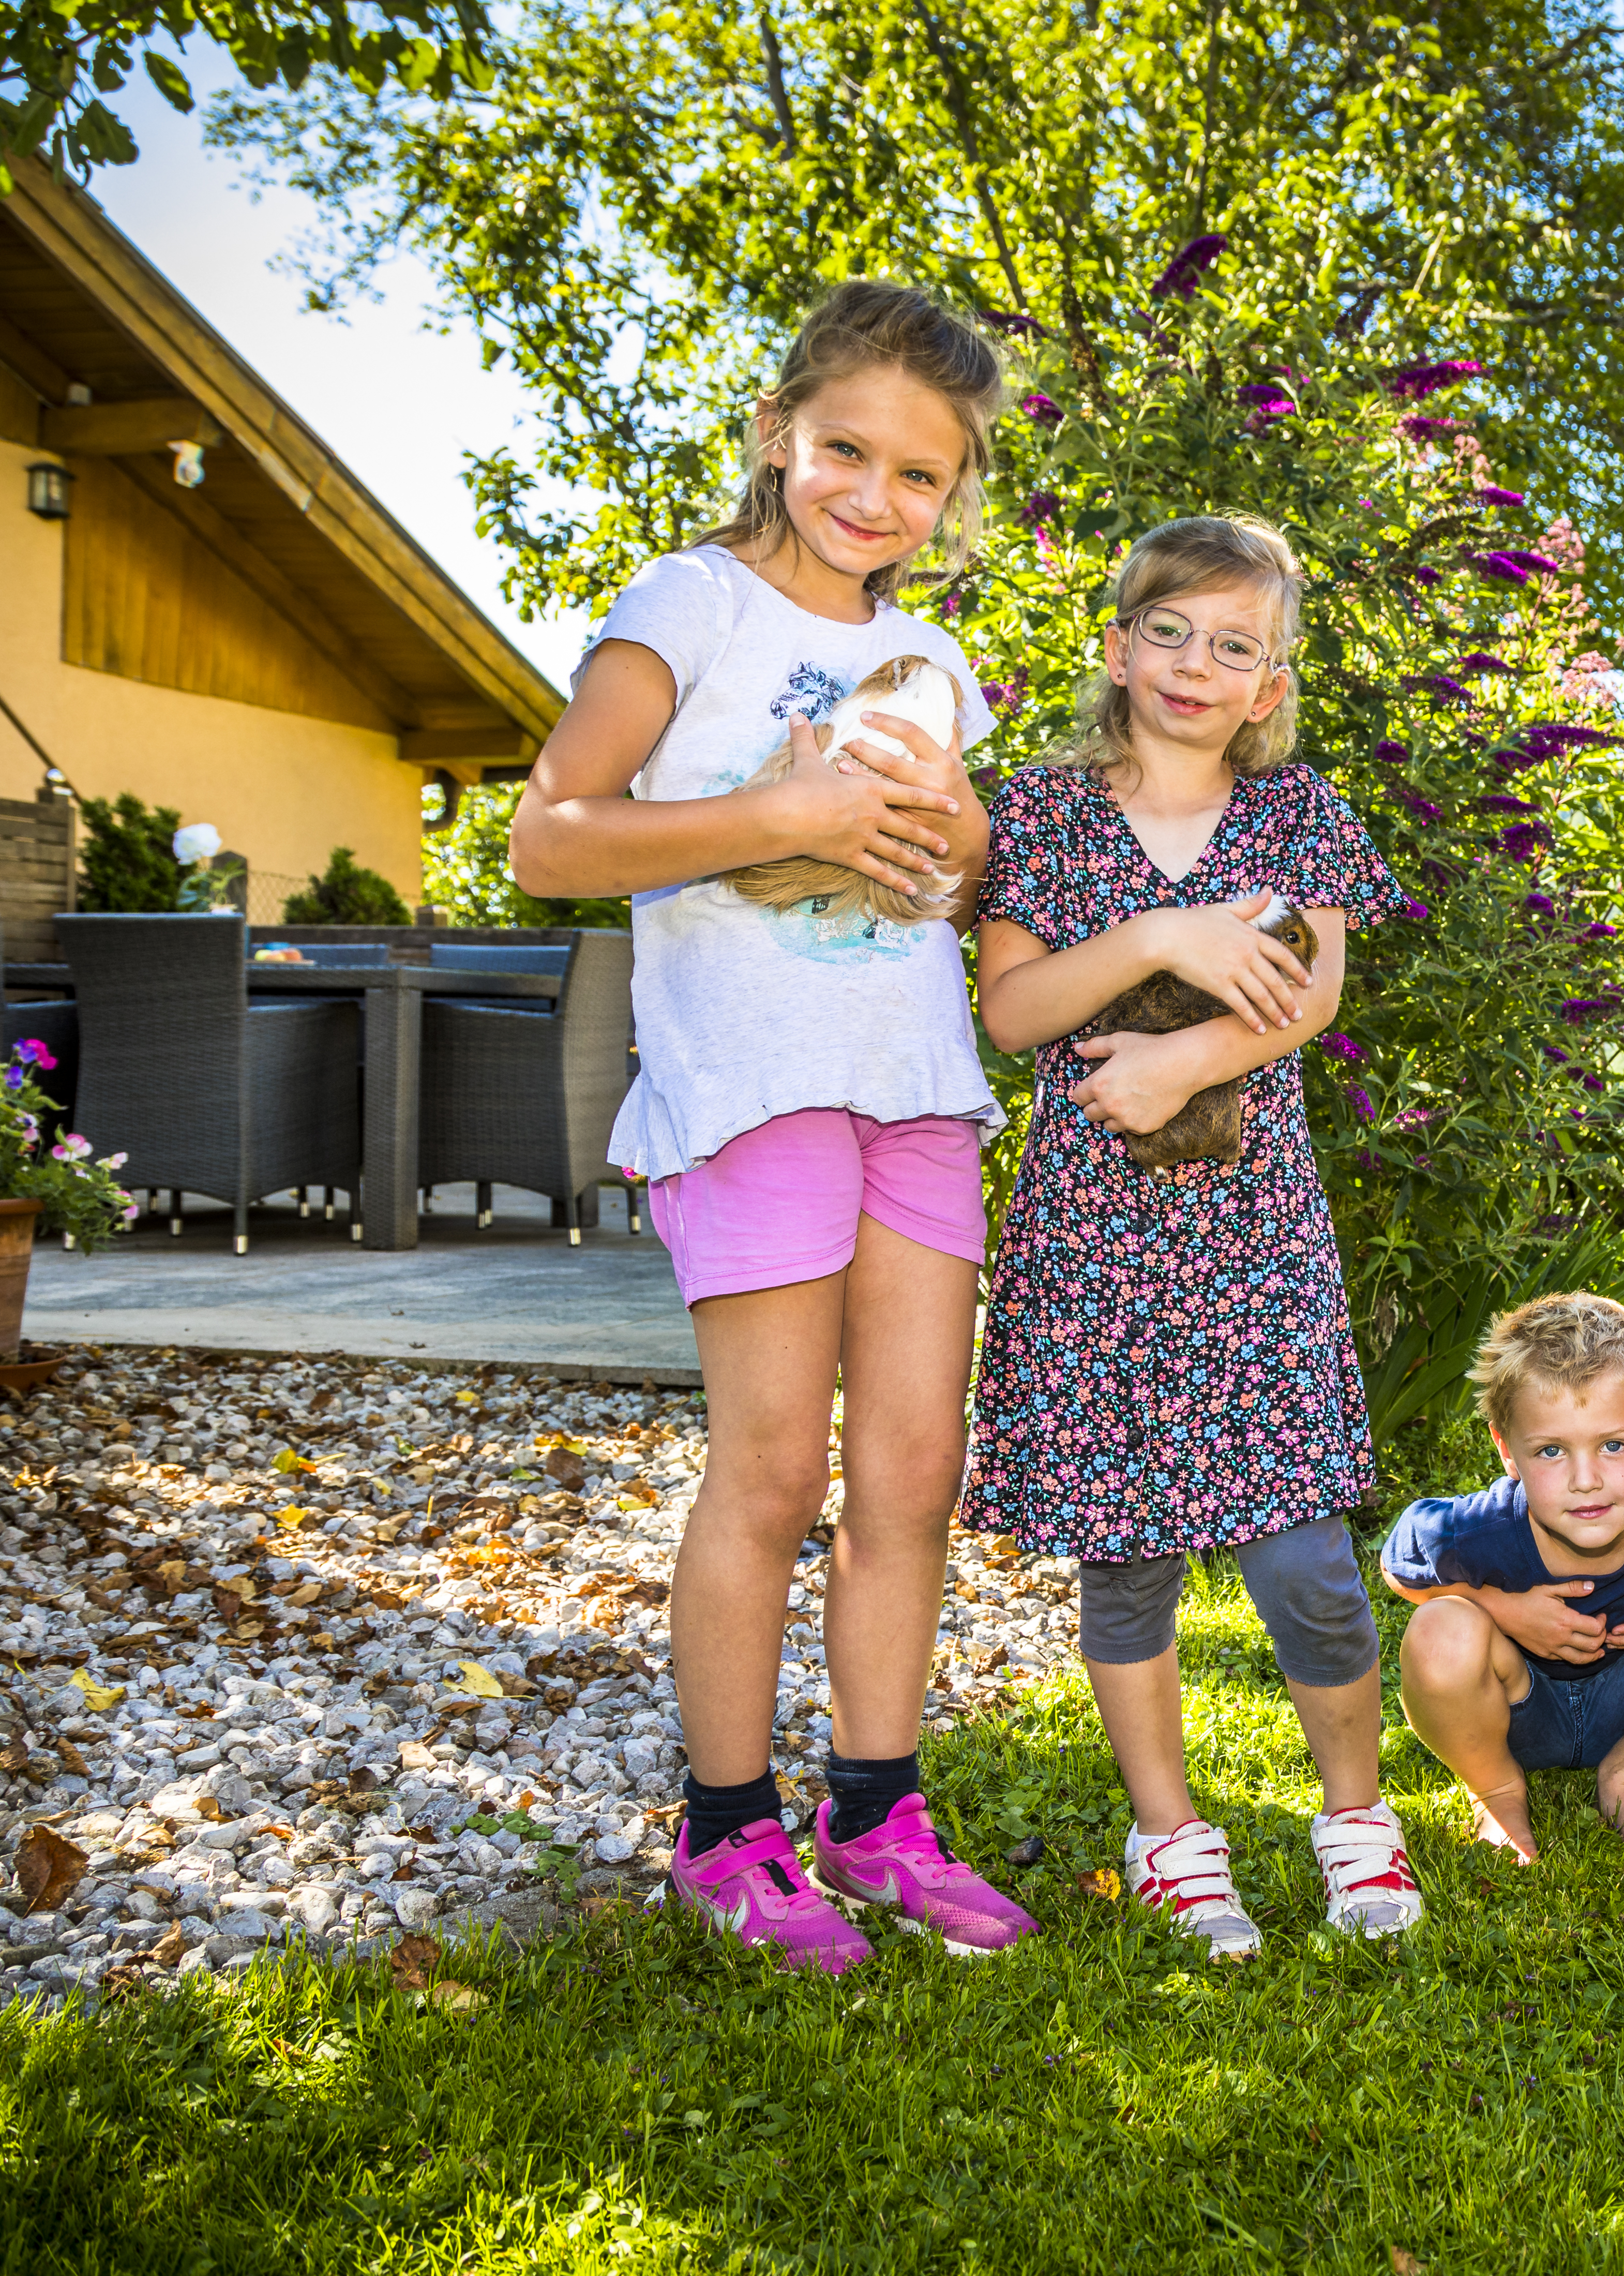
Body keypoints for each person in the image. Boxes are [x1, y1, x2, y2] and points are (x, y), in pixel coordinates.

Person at [509, 279, 1035, 1971]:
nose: (876, 497)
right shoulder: (689, 602)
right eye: (846, 451)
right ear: (778, 435)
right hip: (752, 1088)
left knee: (910, 1470)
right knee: (770, 1472)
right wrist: (783, 810)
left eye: (921, 477)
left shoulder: (935, 658)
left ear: (955, 500)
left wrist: (952, 841)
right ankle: (726, 1833)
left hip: (916, 1093)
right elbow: (552, 841)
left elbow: (950, 886)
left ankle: (877, 1816)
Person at [963, 513, 1421, 1960]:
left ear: (1268, 687)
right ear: (1117, 644)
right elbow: (1015, 1013)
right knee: (1128, 1559)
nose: (1196, 663)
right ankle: (1170, 1838)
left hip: (1251, 1232)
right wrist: (1163, 939)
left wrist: (1181, 1061)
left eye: (1235, 646)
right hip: (1092, 1241)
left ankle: (1355, 1821)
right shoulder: (1038, 811)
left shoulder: (1302, 820)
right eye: (1170, 630)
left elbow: (1316, 997)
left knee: (1306, 1561)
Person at [1382, 1294, 1624, 1860]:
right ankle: (1497, 1789)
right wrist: (1504, 1608)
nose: (1586, 1479)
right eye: (1550, 1450)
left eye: (1614, 1445)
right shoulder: (1480, 1526)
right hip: (1520, 1707)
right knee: (1440, 1627)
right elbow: (1396, 1564)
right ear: (1507, 1450)